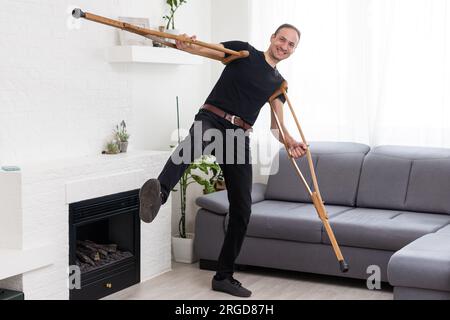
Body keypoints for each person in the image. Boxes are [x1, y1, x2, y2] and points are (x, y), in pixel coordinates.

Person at [139, 24, 307, 298]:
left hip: (239, 135)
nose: (284, 46)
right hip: (213, 118)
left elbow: (277, 127)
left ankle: (224, 276)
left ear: (293, 50)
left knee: (242, 209)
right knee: (190, 146)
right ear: (272, 37)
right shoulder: (243, 52)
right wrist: (187, 45)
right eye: (282, 39)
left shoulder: (278, 84)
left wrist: (290, 142)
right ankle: (159, 191)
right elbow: (206, 50)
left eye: (290, 45)